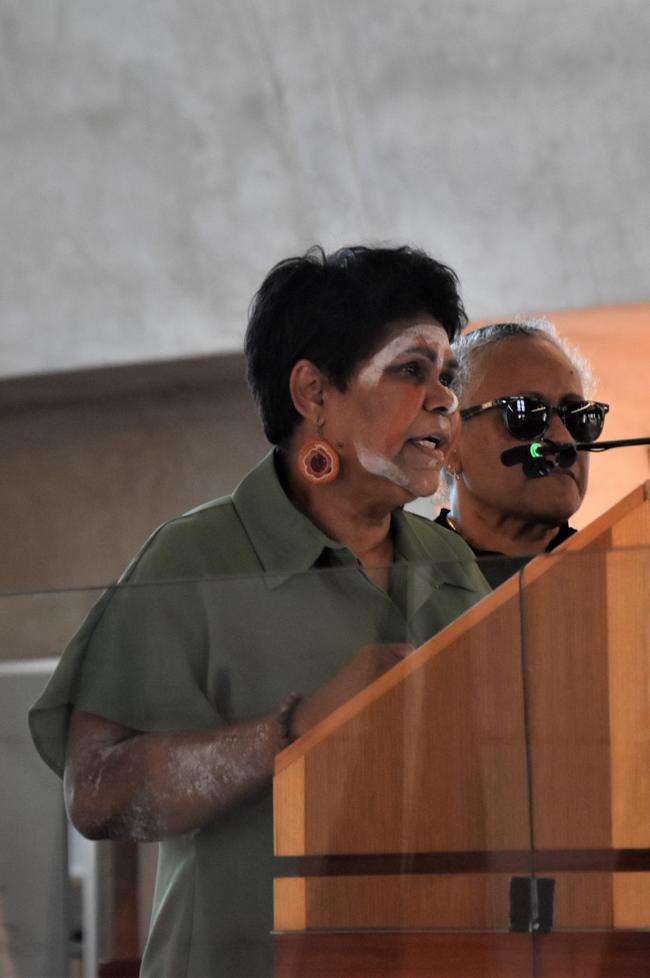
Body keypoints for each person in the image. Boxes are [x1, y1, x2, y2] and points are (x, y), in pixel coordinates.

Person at [29, 245, 490, 978]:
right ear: (313, 391)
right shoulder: (194, 558)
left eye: (448, 377)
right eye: (411, 370)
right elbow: (95, 795)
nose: (444, 400)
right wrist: (294, 730)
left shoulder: (452, 564)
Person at [435, 319, 609, 587]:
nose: (564, 439)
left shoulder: (617, 575)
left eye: (578, 417)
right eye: (526, 413)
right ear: (448, 442)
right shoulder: (402, 578)